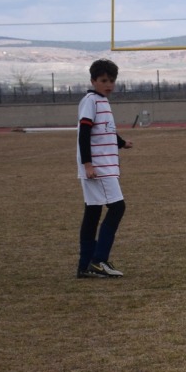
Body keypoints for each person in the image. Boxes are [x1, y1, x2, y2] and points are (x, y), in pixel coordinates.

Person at [76, 59, 132, 278]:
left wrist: (121, 143)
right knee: (118, 208)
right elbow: (84, 133)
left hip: (103, 166)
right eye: (103, 80)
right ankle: (98, 260)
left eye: (111, 81)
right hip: (99, 168)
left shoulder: (102, 101)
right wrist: (88, 164)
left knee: (93, 211)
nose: (108, 85)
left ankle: (84, 265)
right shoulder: (91, 100)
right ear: (93, 81)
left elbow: (105, 131)